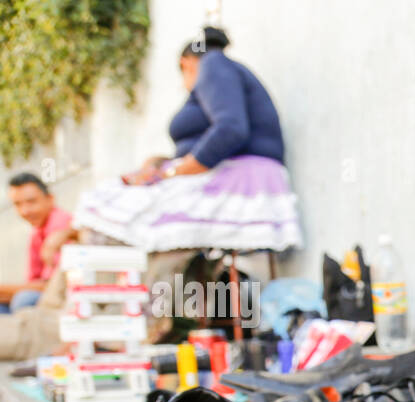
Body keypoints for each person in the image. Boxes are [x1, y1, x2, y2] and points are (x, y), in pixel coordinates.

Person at [74, 26, 302, 255]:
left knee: (107, 206)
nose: (184, 87)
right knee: (117, 201)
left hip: (239, 175)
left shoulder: (212, 65)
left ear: (186, 63)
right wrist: (160, 163)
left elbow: (231, 129)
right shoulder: (222, 69)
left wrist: (174, 172)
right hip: (228, 170)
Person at [1, 173, 74, 314]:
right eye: (18, 204)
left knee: (24, 300)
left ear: (50, 199)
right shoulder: (36, 232)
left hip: (66, 294)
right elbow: (33, 282)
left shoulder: (60, 224)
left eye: (31, 201)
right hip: (46, 291)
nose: (25, 211)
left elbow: (55, 286)